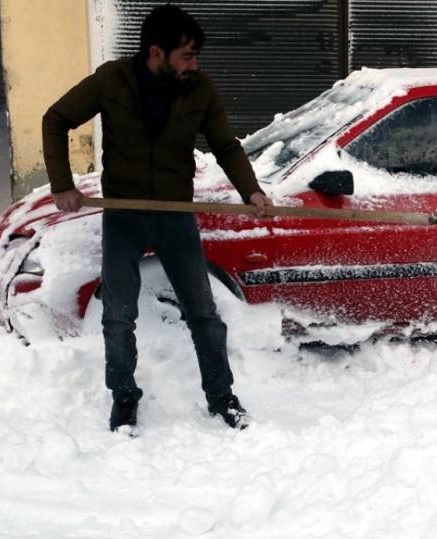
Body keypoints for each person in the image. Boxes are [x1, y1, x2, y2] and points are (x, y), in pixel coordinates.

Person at [42, 4, 271, 432]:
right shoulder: (112, 80)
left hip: (175, 216)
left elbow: (226, 145)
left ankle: (222, 397)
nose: (194, 64)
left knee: (203, 312)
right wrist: (61, 183)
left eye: (195, 56)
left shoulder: (199, 89)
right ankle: (124, 397)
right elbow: (56, 119)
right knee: (117, 315)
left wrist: (251, 190)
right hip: (124, 216)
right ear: (155, 53)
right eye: (186, 56)